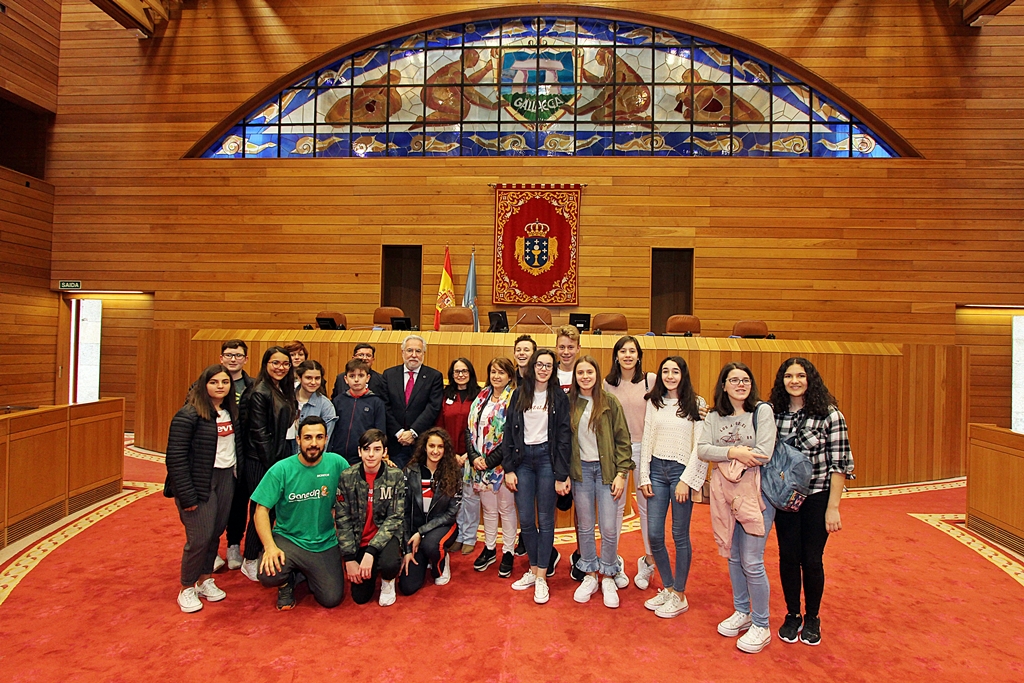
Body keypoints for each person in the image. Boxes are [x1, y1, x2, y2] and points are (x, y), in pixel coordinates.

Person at [769, 357, 854, 646]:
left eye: (800, 376)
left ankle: (812, 617)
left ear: (810, 380)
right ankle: (792, 614)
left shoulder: (830, 415)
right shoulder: (774, 415)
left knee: (812, 559)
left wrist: (833, 507)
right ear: (782, 381)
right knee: (788, 557)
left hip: (817, 497)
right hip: (785, 500)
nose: (794, 381)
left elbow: (840, 465)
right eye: (789, 376)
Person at [698, 362, 777, 654]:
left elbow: (764, 453)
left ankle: (761, 624)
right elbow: (703, 449)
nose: (740, 385)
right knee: (733, 556)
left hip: (757, 495)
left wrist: (728, 459)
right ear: (724, 385)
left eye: (745, 380)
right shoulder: (715, 416)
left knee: (752, 561)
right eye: (734, 380)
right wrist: (734, 452)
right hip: (725, 496)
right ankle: (742, 611)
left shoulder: (761, 411)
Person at [165, 364, 242, 612]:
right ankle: (186, 587)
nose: (220, 386)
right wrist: (186, 495)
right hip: (200, 482)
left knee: (215, 533)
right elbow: (175, 458)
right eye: (214, 382)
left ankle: (205, 579)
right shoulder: (189, 415)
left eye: (225, 382)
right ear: (203, 385)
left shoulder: (231, 412)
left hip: (226, 479)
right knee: (199, 537)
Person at [637, 356, 708, 618]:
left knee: (679, 535)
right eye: (665, 371)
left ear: (683, 375)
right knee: (654, 535)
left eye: (674, 371)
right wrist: (644, 475)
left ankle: (680, 593)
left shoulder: (696, 404)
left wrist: (686, 481)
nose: (669, 376)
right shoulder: (653, 403)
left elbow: (699, 446)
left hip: (680, 473)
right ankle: (667, 587)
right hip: (656, 470)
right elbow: (647, 438)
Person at [252, 416, 348, 610]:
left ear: (326, 439)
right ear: (298, 440)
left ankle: (303, 573)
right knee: (268, 574)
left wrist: (385, 464)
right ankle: (286, 583)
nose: (313, 443)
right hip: (289, 539)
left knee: (331, 599)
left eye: (319, 437)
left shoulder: (337, 463)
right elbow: (261, 511)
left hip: (324, 542)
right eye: (308, 438)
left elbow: (359, 482)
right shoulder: (281, 469)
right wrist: (270, 547)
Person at [500, 349, 571, 604]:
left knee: (546, 519)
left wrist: (562, 474)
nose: (543, 369)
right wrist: (508, 468)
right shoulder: (519, 394)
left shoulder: (559, 397)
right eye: (539, 364)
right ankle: (532, 568)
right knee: (527, 521)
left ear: (553, 370)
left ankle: (541, 575)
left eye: (548, 365)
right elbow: (508, 432)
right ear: (532, 367)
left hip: (546, 460)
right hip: (523, 462)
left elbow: (564, 438)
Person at [568, 356, 633, 608]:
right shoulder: (570, 403)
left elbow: (623, 440)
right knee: (585, 526)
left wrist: (621, 474)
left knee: (607, 527)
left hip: (607, 471)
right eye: (580, 372)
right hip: (581, 472)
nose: (585, 376)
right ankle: (590, 574)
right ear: (575, 377)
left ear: (597, 375)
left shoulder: (609, 402)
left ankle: (608, 574)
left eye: (589, 372)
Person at [237, 346, 297, 581]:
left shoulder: (282, 389)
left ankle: (260, 550)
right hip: (262, 462)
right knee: (261, 510)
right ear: (265, 364)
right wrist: (274, 467)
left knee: (273, 511)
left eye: (285, 363)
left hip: (278, 456)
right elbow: (259, 433)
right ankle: (250, 559)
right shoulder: (259, 391)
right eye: (275, 363)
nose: (280, 367)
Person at [603, 335, 657, 589]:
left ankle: (648, 561)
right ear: (616, 355)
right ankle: (612, 560)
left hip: (645, 450)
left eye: (632, 351)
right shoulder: (606, 384)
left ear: (638, 355)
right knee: (615, 507)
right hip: (617, 453)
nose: (627, 355)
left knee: (647, 508)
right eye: (623, 351)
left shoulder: (651, 381)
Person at [335, 429, 406, 607]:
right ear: (359, 452)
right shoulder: (347, 477)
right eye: (366, 449)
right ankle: (372, 569)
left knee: (390, 564)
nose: (371, 455)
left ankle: (388, 582)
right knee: (360, 597)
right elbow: (342, 519)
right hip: (359, 538)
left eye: (376, 449)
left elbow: (395, 517)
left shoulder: (395, 476)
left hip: (385, 536)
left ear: (385, 452)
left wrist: (371, 552)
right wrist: (349, 558)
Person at [466, 357, 519, 576]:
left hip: (501, 465)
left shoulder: (514, 398)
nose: (496, 376)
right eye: (493, 372)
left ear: (509, 376)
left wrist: (489, 461)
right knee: (488, 510)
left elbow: (512, 435)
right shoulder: (481, 396)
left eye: (501, 372)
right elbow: (469, 429)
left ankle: (508, 551)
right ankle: (489, 549)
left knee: (505, 509)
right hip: (479, 466)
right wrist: (473, 457)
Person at [399, 427, 462, 595]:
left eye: (440, 447)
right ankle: (425, 556)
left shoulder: (453, 473)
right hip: (415, 530)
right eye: (431, 446)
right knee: (407, 587)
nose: (435, 451)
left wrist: (421, 532)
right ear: (424, 447)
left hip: (443, 527)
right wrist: (406, 549)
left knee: (431, 545)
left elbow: (450, 513)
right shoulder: (410, 471)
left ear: (445, 449)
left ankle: (440, 563)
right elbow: (403, 512)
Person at [435, 358, 480, 554]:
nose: (460, 374)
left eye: (464, 371)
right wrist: (450, 454)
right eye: (456, 371)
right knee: (454, 498)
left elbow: (480, 427)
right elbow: (440, 424)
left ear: (470, 373)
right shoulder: (446, 395)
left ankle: (469, 536)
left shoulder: (479, 395)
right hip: (449, 456)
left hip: (471, 456)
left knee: (470, 498)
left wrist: (466, 455)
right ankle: (458, 535)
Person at [381, 334, 444, 467]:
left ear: (424, 353)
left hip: (421, 442)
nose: (414, 355)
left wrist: (413, 432)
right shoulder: (389, 375)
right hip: (395, 443)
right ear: (402, 352)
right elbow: (385, 406)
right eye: (410, 350)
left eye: (418, 351)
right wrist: (399, 433)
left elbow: (433, 407)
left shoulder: (434, 376)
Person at [218, 339, 253, 571]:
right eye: (229, 355)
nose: (233, 359)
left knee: (239, 502)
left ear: (245, 359)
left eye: (238, 355)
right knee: (215, 505)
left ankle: (233, 545)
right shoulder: (208, 382)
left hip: (244, 451)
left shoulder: (252, 385)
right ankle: (210, 547)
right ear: (221, 358)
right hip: (217, 454)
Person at [328, 358, 387, 464]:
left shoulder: (376, 402)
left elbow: (380, 432)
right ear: (345, 379)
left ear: (368, 378)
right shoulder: (338, 401)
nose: (356, 380)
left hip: (364, 457)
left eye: (360, 376)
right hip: (338, 454)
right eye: (352, 376)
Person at [293, 360, 338, 453]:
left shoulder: (326, 406)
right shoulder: (286, 399)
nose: (313, 382)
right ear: (299, 377)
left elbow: (324, 443)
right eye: (308, 378)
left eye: (317, 378)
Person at [554, 325, 580, 394]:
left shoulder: (583, 374)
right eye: (562, 347)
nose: (566, 352)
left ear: (578, 348)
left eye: (570, 347)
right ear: (556, 348)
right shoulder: (550, 373)